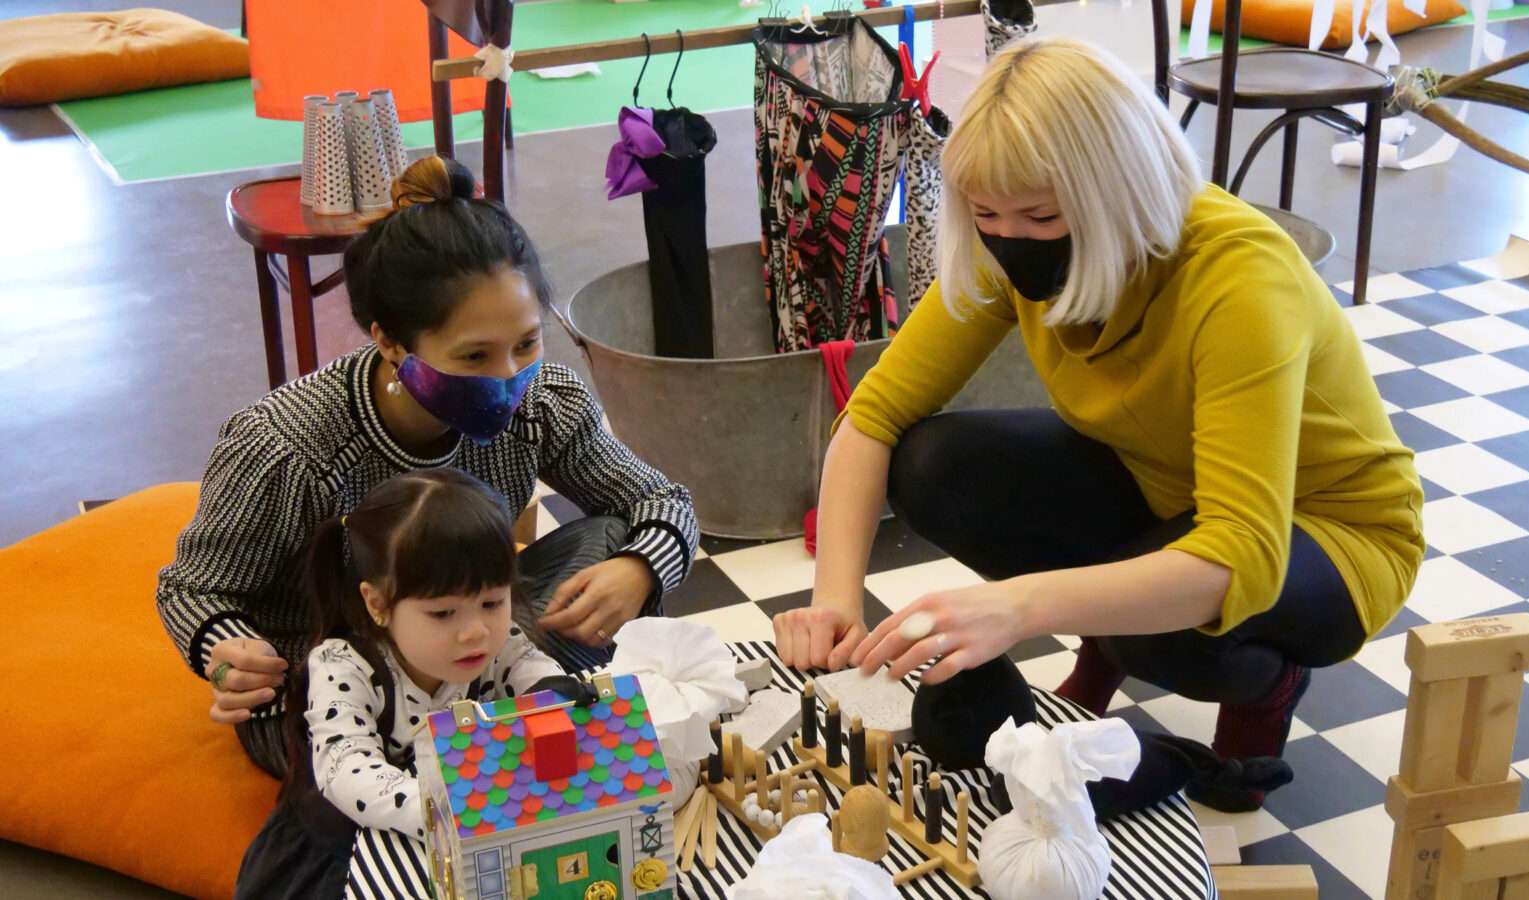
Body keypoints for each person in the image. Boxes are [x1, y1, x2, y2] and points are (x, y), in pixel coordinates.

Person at [772, 37, 1423, 811]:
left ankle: (1266, 679)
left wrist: (1023, 606)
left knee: (1164, 627)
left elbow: (1237, 550)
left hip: (1326, 531)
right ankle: (1109, 636)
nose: (1010, 236)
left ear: (1119, 190)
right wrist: (836, 598)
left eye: (1042, 215)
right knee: (934, 463)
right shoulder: (1009, 243)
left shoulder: (1240, 278)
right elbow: (876, 414)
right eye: (985, 214)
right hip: (1162, 492)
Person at [157, 156, 698, 781]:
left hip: (469, 647)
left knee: (612, 541)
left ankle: (483, 748)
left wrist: (639, 568)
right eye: (473, 354)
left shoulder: (544, 400)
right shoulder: (286, 447)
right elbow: (193, 588)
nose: (508, 377)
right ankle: (483, 755)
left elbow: (661, 500)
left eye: (526, 342)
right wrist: (226, 655)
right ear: (390, 342)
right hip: (335, 685)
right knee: (336, 766)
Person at [234, 468, 567, 899]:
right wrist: (450, 810)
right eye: (443, 614)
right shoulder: (344, 664)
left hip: (464, 824)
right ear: (378, 603)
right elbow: (347, 770)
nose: (475, 632)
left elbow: (527, 665)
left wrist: (558, 693)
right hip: (349, 845)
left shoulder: (494, 644)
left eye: (492, 602)